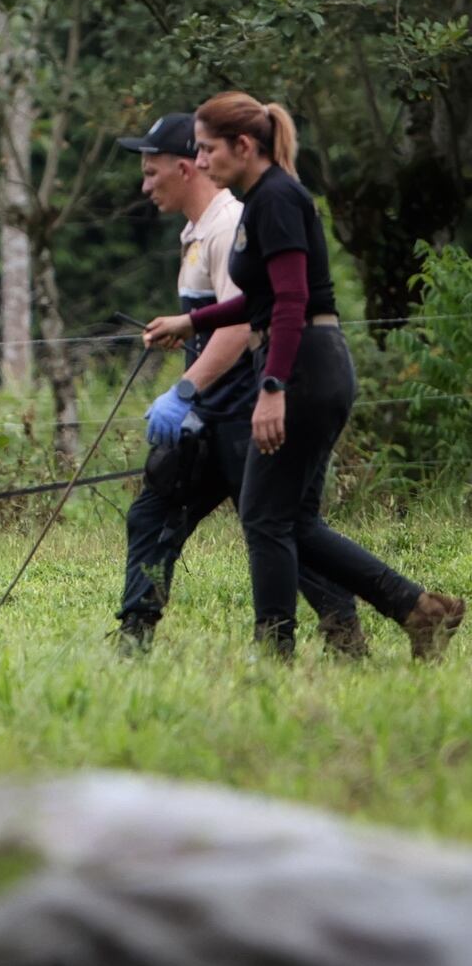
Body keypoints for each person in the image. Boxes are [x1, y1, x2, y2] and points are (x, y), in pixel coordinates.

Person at [143, 93, 464, 659]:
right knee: (293, 521)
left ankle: (275, 651)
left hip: (305, 368)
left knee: (264, 518)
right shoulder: (262, 199)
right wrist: (190, 320)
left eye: (208, 148)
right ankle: (418, 610)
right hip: (307, 364)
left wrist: (271, 390)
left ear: (244, 147)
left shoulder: (277, 200)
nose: (202, 159)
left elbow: (291, 302)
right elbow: (261, 300)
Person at [116, 114, 365, 653]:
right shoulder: (197, 231)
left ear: (187, 166)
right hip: (214, 416)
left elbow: (246, 322)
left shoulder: (232, 221)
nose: (145, 184)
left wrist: (184, 390)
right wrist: (184, 331)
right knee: (161, 517)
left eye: (152, 171)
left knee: (276, 528)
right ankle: (135, 634)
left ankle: (341, 622)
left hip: (239, 410)